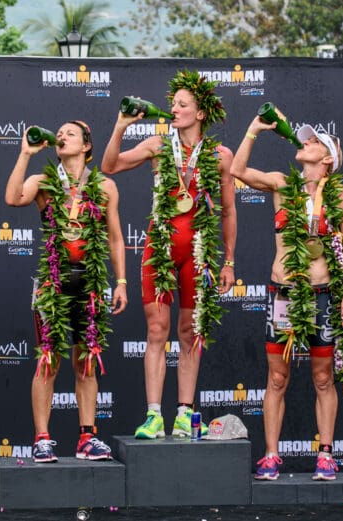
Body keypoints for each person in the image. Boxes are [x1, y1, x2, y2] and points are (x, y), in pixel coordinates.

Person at [100, 70, 236, 439]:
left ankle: (184, 414)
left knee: (190, 333)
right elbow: (109, 166)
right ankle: (154, 415)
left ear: (201, 112)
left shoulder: (221, 156)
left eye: (182, 104)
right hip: (160, 245)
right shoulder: (159, 145)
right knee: (157, 330)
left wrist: (229, 261)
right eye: (173, 103)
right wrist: (120, 127)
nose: (173, 109)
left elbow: (227, 210)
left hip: (199, 250)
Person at [230, 117, 343, 481]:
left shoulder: (339, 196)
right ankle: (271, 455)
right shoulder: (282, 183)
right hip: (283, 293)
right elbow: (237, 170)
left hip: (322, 295)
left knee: (323, 380)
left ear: (328, 159)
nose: (304, 144)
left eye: (314, 142)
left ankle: (325, 455)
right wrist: (253, 130)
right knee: (276, 379)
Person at [5, 121, 127, 463]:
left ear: (87, 147)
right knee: (48, 361)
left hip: (88, 284)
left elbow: (117, 238)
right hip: (52, 283)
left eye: (70, 134)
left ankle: (87, 437)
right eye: (59, 134)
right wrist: (25, 154)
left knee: (86, 362)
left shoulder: (105, 187)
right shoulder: (43, 181)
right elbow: (13, 198)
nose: (61, 137)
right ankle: (42, 438)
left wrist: (121, 282)